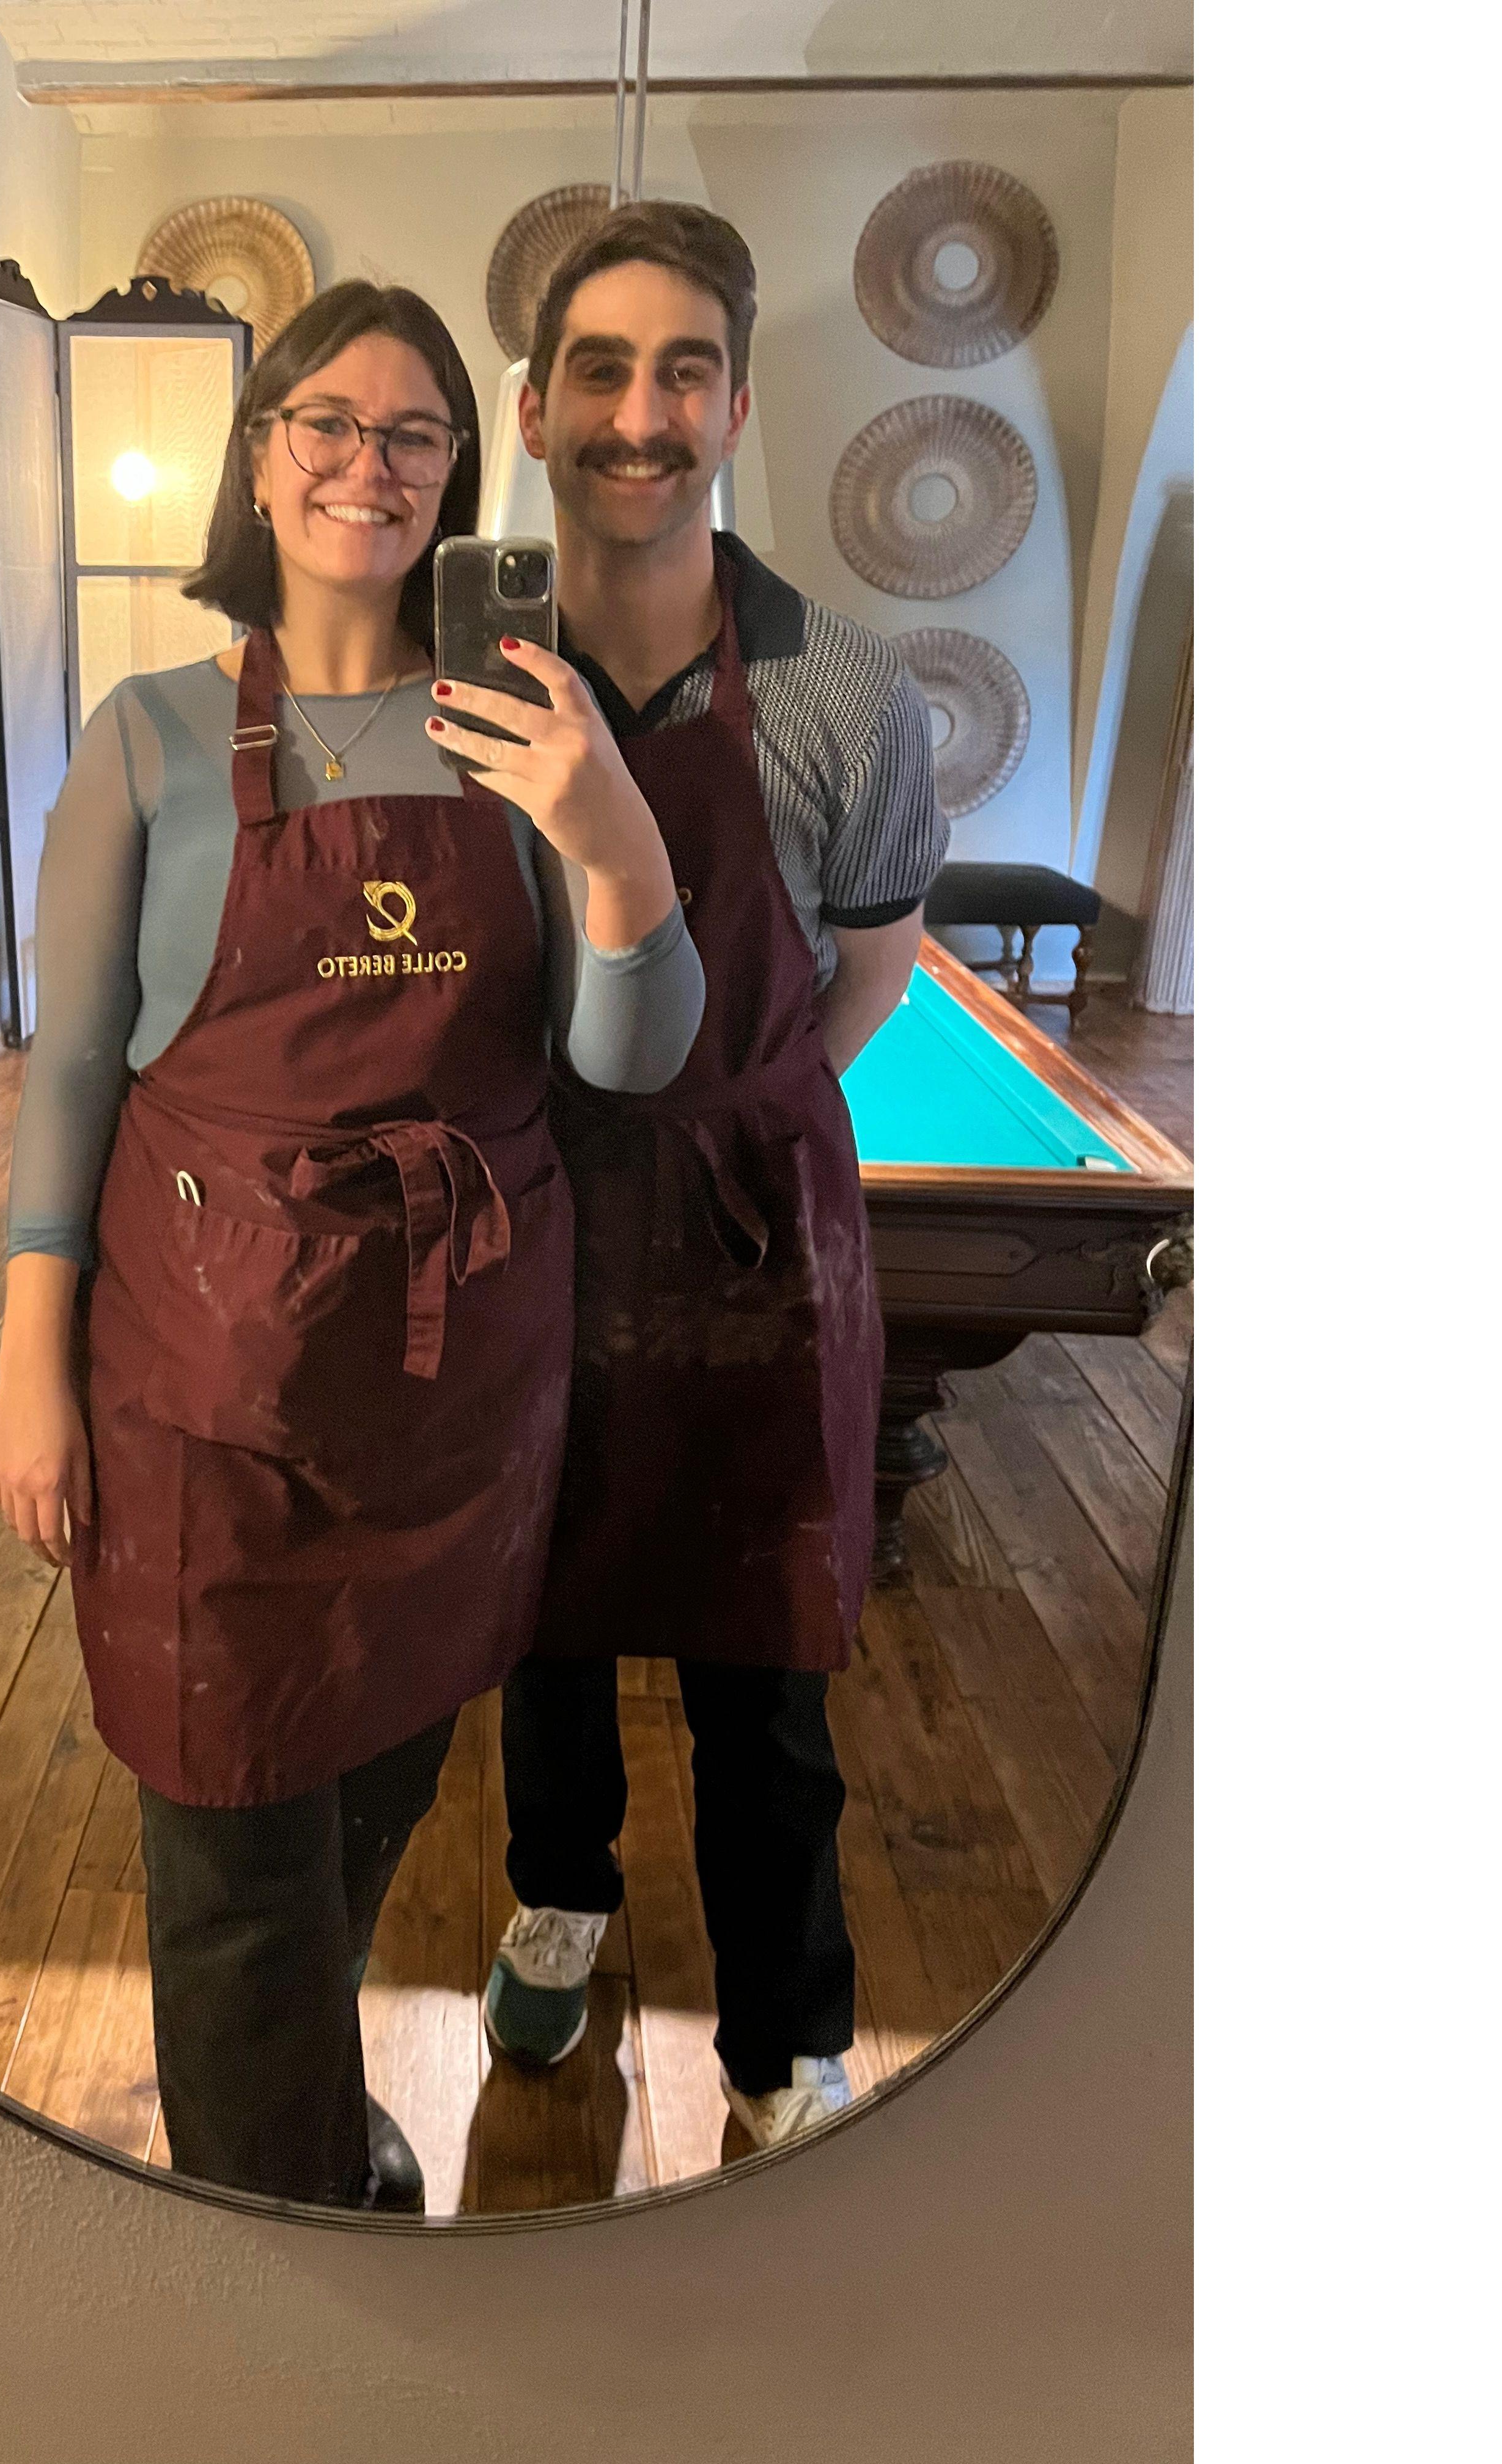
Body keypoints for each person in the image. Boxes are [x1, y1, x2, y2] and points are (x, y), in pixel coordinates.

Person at [0, 281, 705, 2212]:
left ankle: (306, 2126)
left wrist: (612, 834)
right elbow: (74, 1070)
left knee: (384, 1766)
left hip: (455, 1388)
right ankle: (282, 2237)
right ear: (260, 457)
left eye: (411, 434)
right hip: (205, 1395)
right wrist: (30, 1374)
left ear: (459, 472)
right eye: (326, 422)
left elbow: (631, 1059)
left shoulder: (526, 726)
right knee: (229, 1855)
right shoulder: (147, 738)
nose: (364, 467)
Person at [434, 202, 947, 2153]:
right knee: (541, 1609)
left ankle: (787, 2035)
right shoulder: (466, 677)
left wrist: (724, 1111)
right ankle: (559, 1896)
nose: (638, 416)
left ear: (736, 407)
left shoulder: (846, 692)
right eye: (598, 370)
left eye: (682, 373)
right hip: (533, 1215)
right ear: (536, 409)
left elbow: (874, 966)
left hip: (755, 1236)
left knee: (765, 1656)